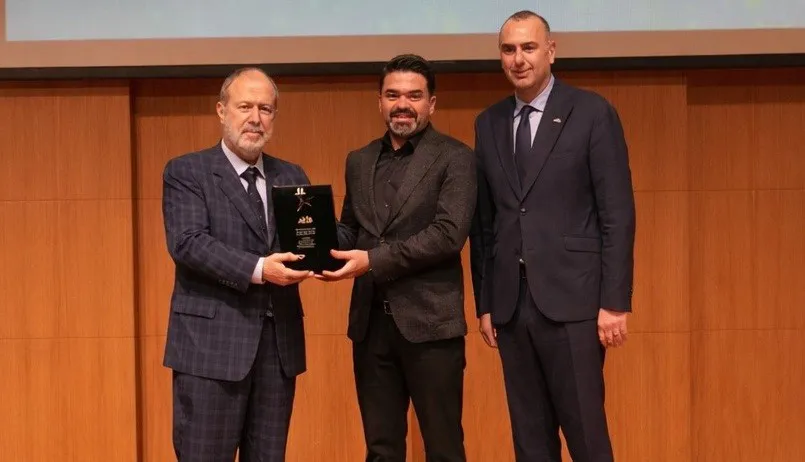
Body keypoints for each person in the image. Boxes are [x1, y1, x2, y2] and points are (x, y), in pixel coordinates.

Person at [469, 10, 636, 462]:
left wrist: (614, 302)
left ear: (551, 51)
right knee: (530, 443)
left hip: (575, 305)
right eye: (508, 50)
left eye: (528, 47)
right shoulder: (488, 122)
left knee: (586, 438)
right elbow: (484, 223)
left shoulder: (592, 113)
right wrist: (485, 302)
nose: (518, 59)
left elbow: (617, 214)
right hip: (511, 307)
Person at [319, 54, 476, 462]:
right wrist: (314, 241)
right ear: (380, 101)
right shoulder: (359, 160)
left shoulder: (456, 157)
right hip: (370, 326)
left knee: (444, 448)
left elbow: (447, 235)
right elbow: (351, 229)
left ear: (431, 103)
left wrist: (373, 260)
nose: (402, 104)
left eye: (413, 96)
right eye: (392, 95)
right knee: (381, 449)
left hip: (431, 327)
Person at [161, 67, 314, 461]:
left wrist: (340, 251)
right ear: (221, 110)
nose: (255, 118)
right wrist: (261, 269)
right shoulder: (187, 171)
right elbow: (188, 243)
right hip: (210, 349)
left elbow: (308, 241)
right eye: (245, 107)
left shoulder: (291, 175)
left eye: (265, 109)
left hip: (277, 350)